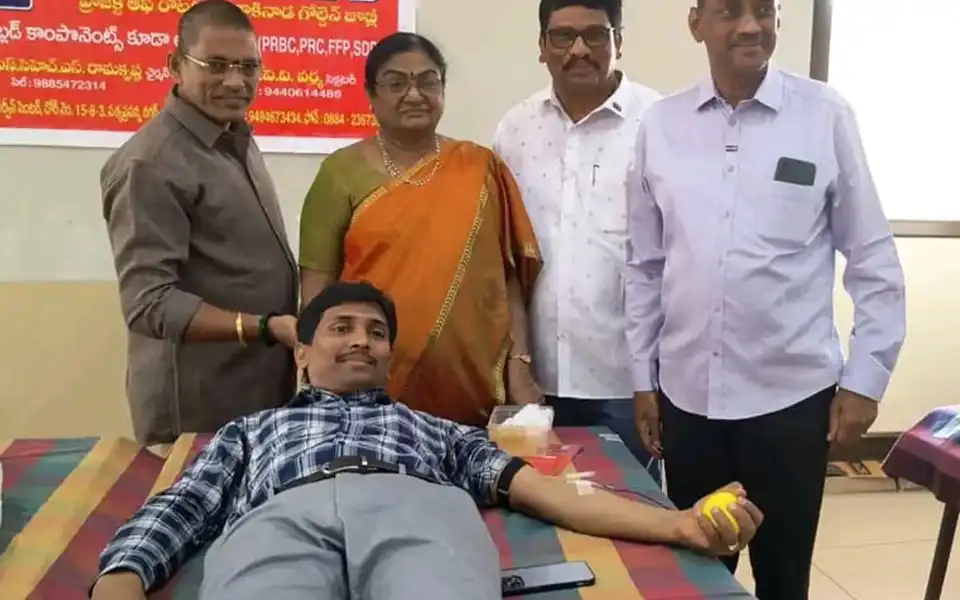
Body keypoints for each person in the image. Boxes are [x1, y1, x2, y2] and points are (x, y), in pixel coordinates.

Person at [89, 281, 764, 600]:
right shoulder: (250, 430)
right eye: (341, 328)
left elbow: (542, 492)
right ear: (303, 353)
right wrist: (121, 580)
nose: (361, 340)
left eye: (376, 333)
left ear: (389, 356)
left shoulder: (435, 430)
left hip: (414, 509)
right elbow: (184, 505)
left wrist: (679, 525)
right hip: (280, 514)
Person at [625, 1, 907, 599]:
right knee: (696, 576)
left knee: (783, 576)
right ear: (697, 24)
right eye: (730, 11)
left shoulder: (824, 115)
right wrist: (642, 377)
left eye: (763, 9)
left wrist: (866, 378)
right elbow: (645, 265)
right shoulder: (662, 125)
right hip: (688, 400)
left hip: (791, 401)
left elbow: (872, 256)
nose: (749, 26)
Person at [298, 33, 543, 426]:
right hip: (371, 389)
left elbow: (508, 281)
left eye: (428, 81)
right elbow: (316, 293)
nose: (414, 95)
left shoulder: (480, 167)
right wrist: (314, 375)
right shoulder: (340, 173)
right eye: (396, 83)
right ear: (371, 94)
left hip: (475, 389)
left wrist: (520, 363)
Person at [100, 0, 299, 450]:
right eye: (217, 65)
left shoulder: (234, 137)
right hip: (196, 410)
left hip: (256, 392)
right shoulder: (151, 163)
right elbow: (149, 303)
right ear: (175, 65)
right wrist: (265, 327)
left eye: (248, 66)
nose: (235, 81)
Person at [493, 0, 662, 476]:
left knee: (632, 503)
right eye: (563, 36)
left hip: (630, 381)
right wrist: (517, 363)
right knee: (537, 504)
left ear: (618, 41)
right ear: (542, 46)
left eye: (596, 34)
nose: (579, 50)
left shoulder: (660, 122)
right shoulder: (514, 129)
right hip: (536, 377)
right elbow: (504, 256)